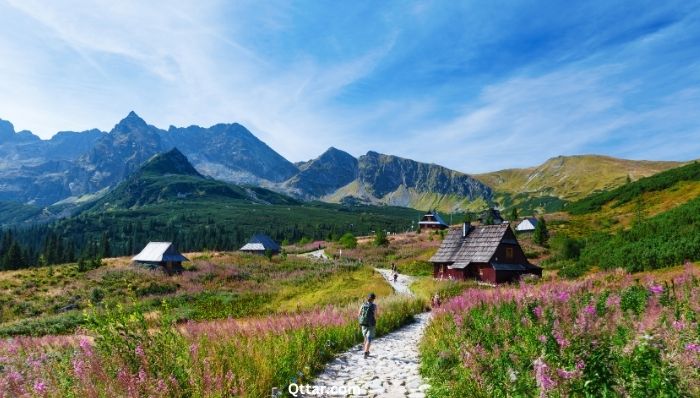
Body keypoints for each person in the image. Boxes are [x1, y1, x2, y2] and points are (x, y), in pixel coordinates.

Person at [358, 293, 377, 358]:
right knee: (369, 338)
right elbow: (375, 315)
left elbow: (359, 314)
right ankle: (366, 352)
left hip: (363, 323)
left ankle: (366, 350)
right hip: (371, 323)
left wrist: (360, 322)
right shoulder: (374, 306)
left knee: (365, 337)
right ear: (373, 299)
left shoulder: (363, 305)